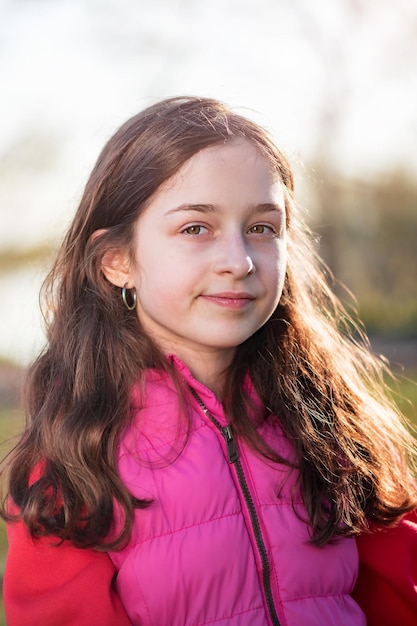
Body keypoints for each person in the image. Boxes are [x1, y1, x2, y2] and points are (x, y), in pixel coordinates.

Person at [1, 96, 417, 626]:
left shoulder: (332, 421)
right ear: (118, 261)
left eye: (263, 228)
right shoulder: (75, 456)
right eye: (196, 229)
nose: (239, 261)